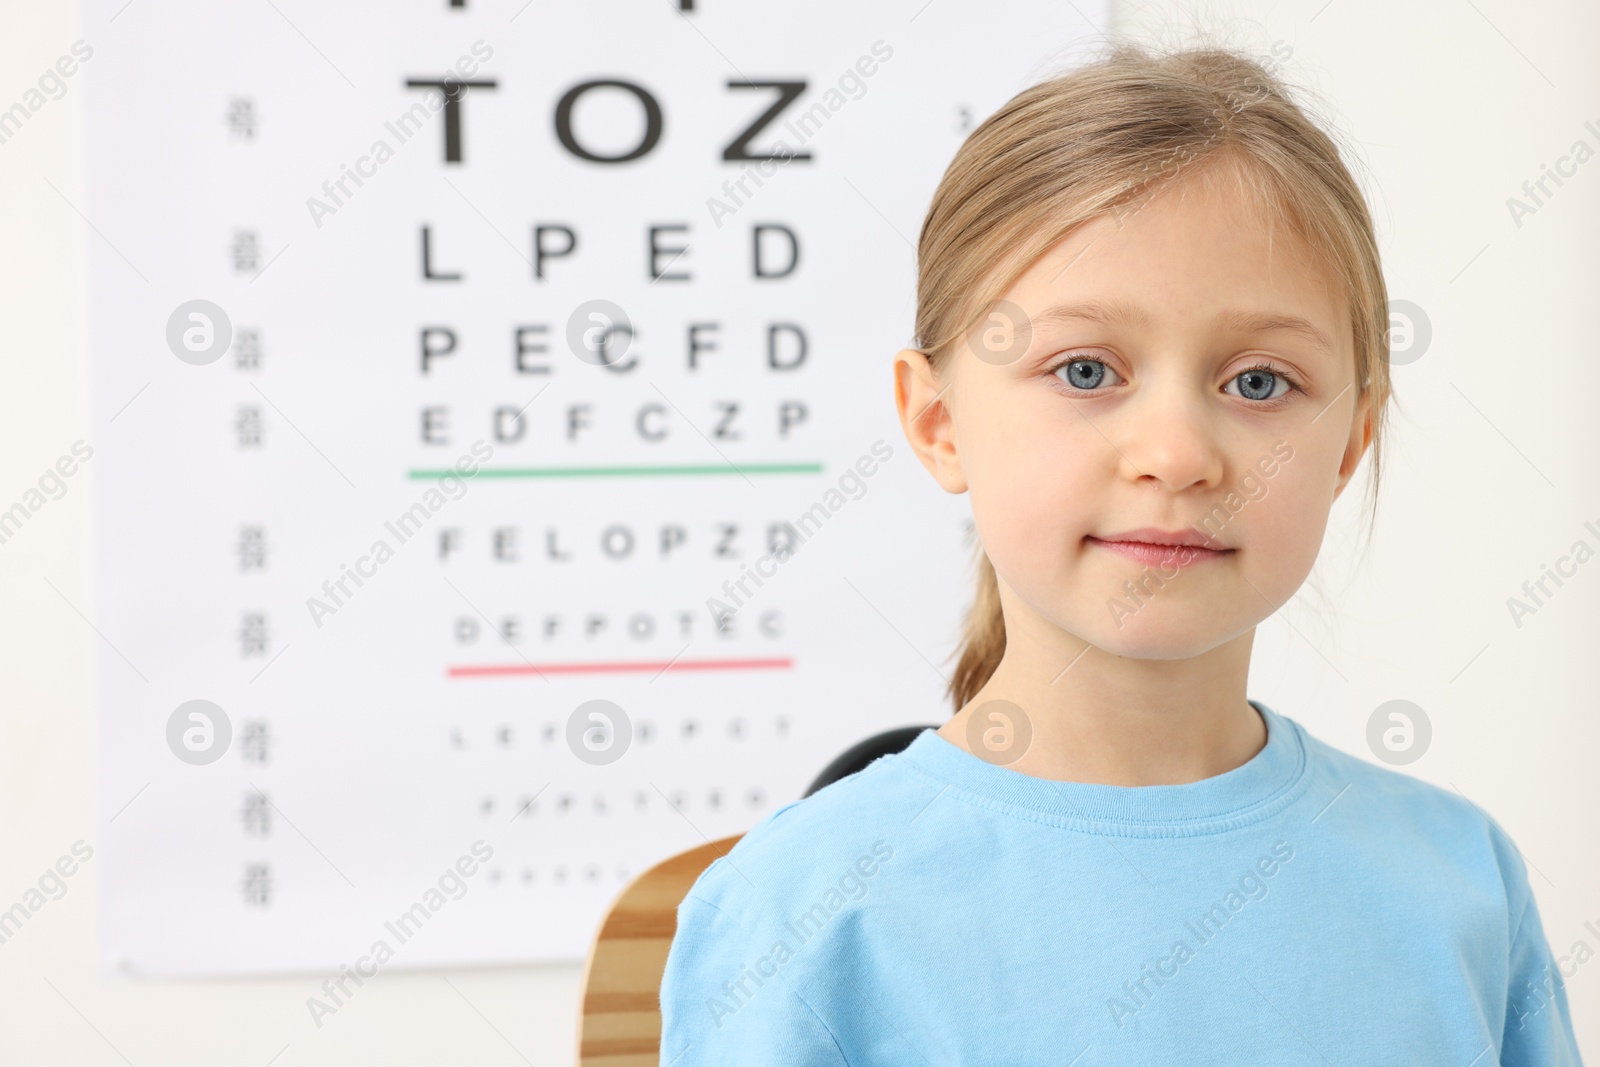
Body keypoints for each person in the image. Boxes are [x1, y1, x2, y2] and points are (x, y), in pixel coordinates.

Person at [656, 41, 1585, 1065]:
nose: (1178, 454)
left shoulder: (1459, 883)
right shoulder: (794, 911)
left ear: (1349, 442)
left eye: (1260, 382)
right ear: (937, 422)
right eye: (1086, 367)